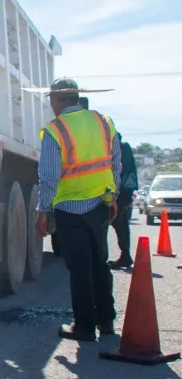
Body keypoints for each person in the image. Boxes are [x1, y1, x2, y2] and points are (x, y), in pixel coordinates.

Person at [35, 78, 121, 342]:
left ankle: (84, 327)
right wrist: (113, 197)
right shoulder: (104, 122)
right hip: (100, 205)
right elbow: (115, 165)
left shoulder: (55, 130)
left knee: (80, 269)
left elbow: (49, 176)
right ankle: (106, 321)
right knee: (100, 264)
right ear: (76, 97)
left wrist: (43, 210)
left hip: (70, 209)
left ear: (56, 100)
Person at [108, 132, 138, 269]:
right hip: (125, 192)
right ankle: (125, 255)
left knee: (118, 223)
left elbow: (117, 170)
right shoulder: (125, 147)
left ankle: (125, 255)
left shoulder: (118, 148)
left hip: (119, 192)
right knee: (121, 224)